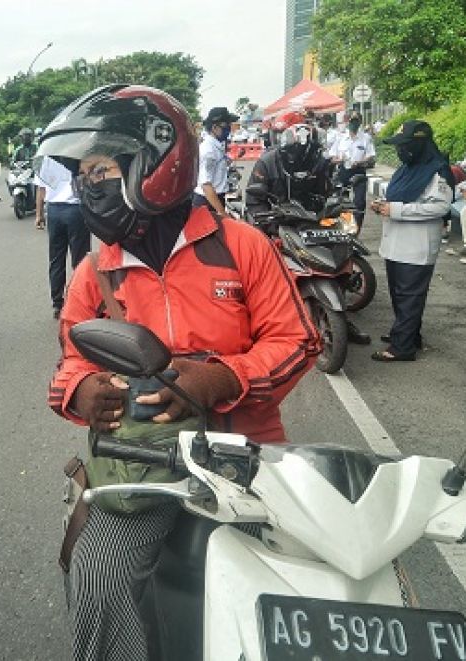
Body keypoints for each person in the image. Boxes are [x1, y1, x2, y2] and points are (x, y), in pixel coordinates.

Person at [40, 84, 320, 661]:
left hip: (244, 454)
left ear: (156, 165)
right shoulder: (96, 270)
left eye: (100, 169)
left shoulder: (241, 246)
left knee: (288, 590)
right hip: (143, 462)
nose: (89, 186)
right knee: (96, 577)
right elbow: (71, 357)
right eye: (82, 174)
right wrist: (83, 390)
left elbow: (296, 340)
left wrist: (222, 379)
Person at [244, 123, 371, 344]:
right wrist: (267, 222)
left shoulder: (319, 161)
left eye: (308, 153)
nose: (302, 158)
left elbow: (328, 187)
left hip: (311, 218)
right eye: (296, 153)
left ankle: (341, 317)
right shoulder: (267, 162)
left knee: (339, 255)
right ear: (285, 149)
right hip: (276, 219)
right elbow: (254, 198)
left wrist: (337, 199)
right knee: (262, 262)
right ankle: (259, 316)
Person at [369, 120, 454, 362]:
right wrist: (383, 205)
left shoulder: (437, 171)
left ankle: (402, 348)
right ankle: (407, 334)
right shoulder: (407, 169)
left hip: (417, 246)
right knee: (400, 295)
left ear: (419, 144)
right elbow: (398, 196)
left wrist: (396, 210)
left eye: (404, 145)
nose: (400, 150)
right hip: (396, 244)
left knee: (409, 297)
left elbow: (440, 207)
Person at [34, 155, 91, 319]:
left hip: (54, 212)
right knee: (80, 260)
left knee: (56, 259)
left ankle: (57, 304)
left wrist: (39, 215)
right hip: (76, 211)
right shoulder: (77, 156)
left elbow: (41, 190)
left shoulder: (46, 160)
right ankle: (80, 301)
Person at [331, 111, 375, 233]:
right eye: (351, 121)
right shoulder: (340, 138)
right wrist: (339, 160)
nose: (354, 124)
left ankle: (356, 230)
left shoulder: (365, 138)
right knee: (341, 202)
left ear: (360, 122)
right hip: (344, 171)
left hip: (359, 171)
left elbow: (370, 155)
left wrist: (360, 161)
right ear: (347, 122)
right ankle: (345, 229)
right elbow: (332, 157)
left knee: (359, 202)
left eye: (356, 121)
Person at [192, 106, 238, 214]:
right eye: (226, 125)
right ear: (214, 127)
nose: (229, 129)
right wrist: (222, 213)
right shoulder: (209, 151)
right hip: (207, 202)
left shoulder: (217, 146)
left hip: (215, 199)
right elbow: (206, 185)